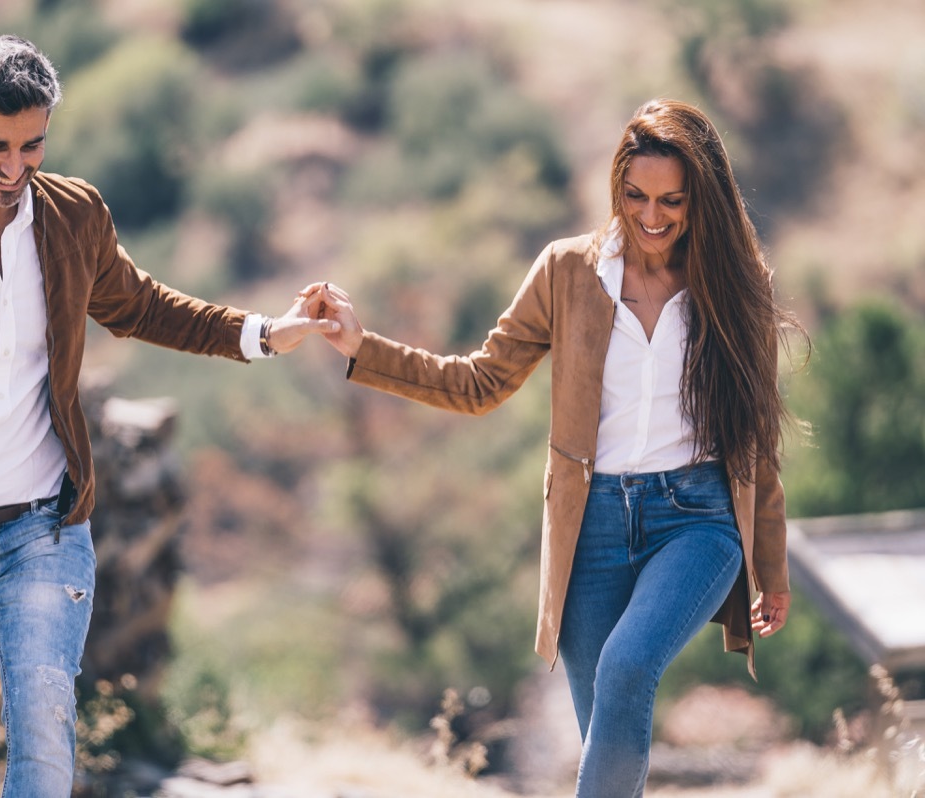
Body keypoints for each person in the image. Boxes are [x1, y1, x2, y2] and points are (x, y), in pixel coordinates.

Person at [0, 34, 338, 798]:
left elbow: (141, 306)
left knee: (45, 748)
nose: (13, 168)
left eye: (31, 146)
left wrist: (264, 334)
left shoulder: (74, 217)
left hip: (39, 532)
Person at [306, 99, 806, 796]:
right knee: (608, 718)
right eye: (635, 196)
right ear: (615, 188)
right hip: (589, 528)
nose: (651, 215)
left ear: (704, 200)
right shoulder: (568, 272)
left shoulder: (734, 281)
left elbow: (757, 438)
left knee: (628, 668)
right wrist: (364, 347)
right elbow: (479, 381)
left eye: (672, 200)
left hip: (696, 520)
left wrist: (771, 566)